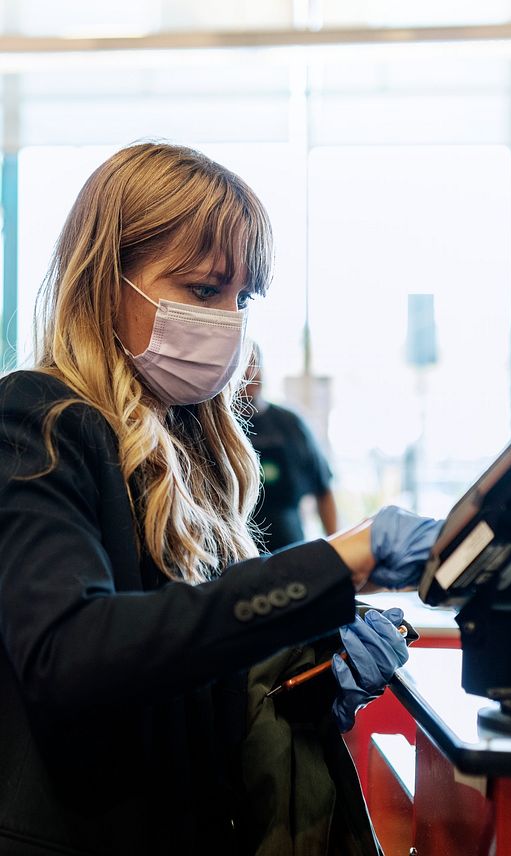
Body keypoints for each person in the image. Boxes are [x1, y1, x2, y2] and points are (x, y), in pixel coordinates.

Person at [0, 142, 441, 856]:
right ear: (107, 279)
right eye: (204, 291)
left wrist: (308, 673)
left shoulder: (197, 449)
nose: (229, 320)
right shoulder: (38, 420)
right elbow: (70, 656)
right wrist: (332, 563)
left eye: (243, 298)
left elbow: (189, 669)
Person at [242, 342, 338, 551]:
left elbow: (323, 488)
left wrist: (336, 551)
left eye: (254, 366)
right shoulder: (218, 427)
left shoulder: (291, 423)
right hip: (237, 555)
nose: (250, 374)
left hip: (291, 549)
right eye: (242, 367)